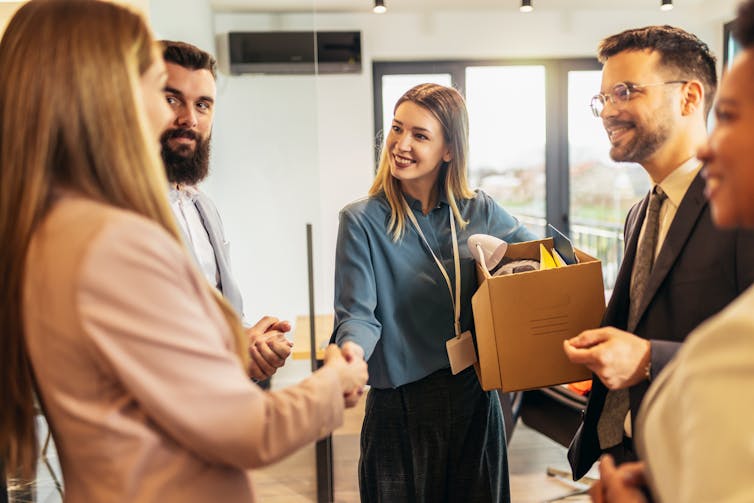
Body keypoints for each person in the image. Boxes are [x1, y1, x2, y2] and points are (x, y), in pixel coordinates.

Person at [0, 2, 367, 502]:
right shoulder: (112, 240)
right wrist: (335, 381)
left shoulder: (55, 225)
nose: (176, 117)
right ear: (105, 96)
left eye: (201, 103)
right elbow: (243, 428)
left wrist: (236, 344)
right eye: (159, 90)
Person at [564, 25, 754, 479]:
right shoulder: (637, 214)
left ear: (689, 98)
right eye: (603, 98)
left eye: (625, 92)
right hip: (634, 459)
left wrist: (650, 359)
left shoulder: (740, 208)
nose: (609, 111)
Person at [333, 83, 536, 503]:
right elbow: (358, 314)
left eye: (420, 135)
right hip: (399, 409)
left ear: (449, 150)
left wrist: (515, 274)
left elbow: (545, 265)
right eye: (396, 129)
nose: (401, 144)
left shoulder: (478, 210)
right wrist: (351, 351)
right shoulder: (361, 221)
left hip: (474, 399)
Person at [160, 40, 290, 384]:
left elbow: (217, 308)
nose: (189, 118)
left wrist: (253, 341)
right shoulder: (121, 211)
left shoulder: (203, 207)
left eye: (202, 105)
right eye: (171, 99)